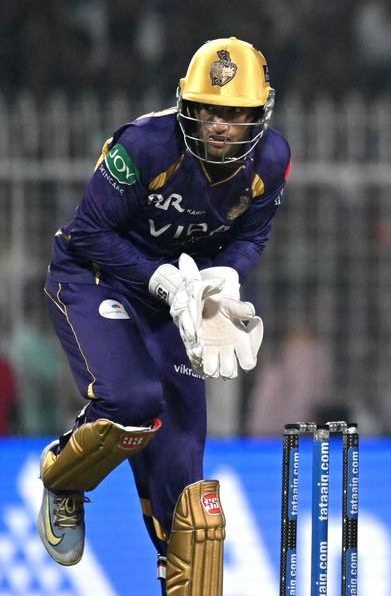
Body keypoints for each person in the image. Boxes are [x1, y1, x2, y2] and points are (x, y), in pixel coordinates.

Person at [37, 37, 290, 595]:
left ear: (259, 114)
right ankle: (62, 477)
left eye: (235, 114)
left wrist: (225, 279)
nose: (219, 126)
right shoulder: (146, 146)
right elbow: (88, 232)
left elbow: (252, 236)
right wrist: (159, 278)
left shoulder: (270, 161)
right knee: (132, 403)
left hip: (177, 299)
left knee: (189, 503)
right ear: (187, 105)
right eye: (209, 110)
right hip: (96, 277)